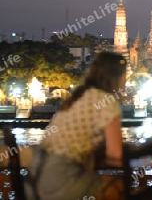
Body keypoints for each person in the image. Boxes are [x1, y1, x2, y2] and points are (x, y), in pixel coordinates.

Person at [25, 52, 125, 200]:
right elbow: (116, 156)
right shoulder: (106, 101)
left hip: (34, 180)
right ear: (117, 77)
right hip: (60, 179)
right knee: (118, 187)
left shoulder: (79, 96)